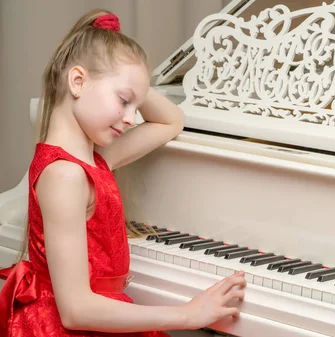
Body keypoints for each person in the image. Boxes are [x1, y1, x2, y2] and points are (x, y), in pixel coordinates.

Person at [0, 9, 247, 337]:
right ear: (77, 81)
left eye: (136, 105)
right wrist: (187, 315)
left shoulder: (95, 160)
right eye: (123, 101)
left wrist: (133, 82)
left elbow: (170, 121)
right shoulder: (65, 176)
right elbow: (75, 311)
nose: (132, 118)